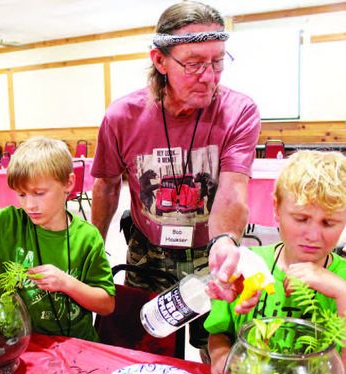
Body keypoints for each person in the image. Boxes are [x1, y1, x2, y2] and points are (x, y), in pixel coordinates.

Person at [90, 1, 260, 349]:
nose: (209, 76)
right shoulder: (123, 116)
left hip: (207, 250)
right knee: (141, 345)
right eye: (194, 64)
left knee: (213, 345)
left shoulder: (238, 111)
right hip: (146, 249)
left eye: (217, 62)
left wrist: (224, 241)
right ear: (159, 60)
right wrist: (91, 247)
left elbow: (232, 190)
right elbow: (106, 184)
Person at [0, 137, 115, 341]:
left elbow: (106, 304)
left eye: (39, 193)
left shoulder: (87, 237)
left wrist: (66, 283)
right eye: (22, 195)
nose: (30, 205)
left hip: (77, 343)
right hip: (17, 339)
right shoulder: (8, 223)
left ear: (68, 183)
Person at [205, 150, 346, 374]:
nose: (313, 235)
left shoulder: (342, 279)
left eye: (328, 223)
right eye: (301, 219)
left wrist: (341, 292)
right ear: (276, 209)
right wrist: (220, 355)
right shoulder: (247, 264)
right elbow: (219, 331)